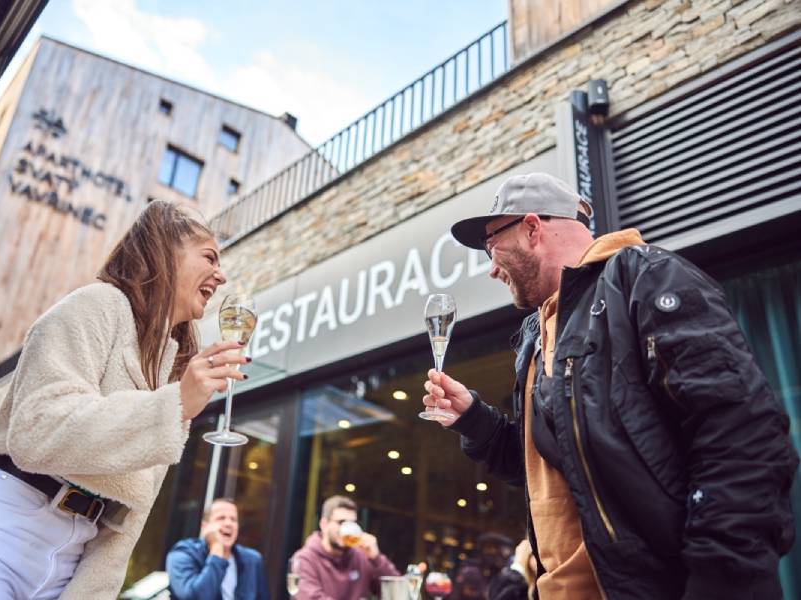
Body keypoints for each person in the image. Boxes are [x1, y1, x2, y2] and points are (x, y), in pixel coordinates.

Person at [422, 173, 798, 599]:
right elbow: (555, 471)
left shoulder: (646, 278)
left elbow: (743, 437)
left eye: (492, 247)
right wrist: (473, 418)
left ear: (532, 228)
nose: (491, 269)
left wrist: (719, 583)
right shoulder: (537, 333)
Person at [0, 200, 248, 599]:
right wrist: (173, 405)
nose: (221, 276)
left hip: (68, 565)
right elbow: (37, 430)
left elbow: (128, 520)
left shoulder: (170, 372)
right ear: (167, 250)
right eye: (210, 257)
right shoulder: (95, 305)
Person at [291, 495, 399, 600]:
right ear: (324, 524)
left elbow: (396, 594)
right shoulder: (305, 559)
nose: (347, 528)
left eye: (352, 523)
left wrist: (376, 558)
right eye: (341, 522)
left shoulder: (361, 556)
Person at [166, 497, 269, 600]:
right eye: (221, 518)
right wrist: (216, 550)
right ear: (204, 527)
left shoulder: (253, 559)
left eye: (233, 519)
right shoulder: (182, 554)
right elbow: (194, 597)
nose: (228, 524)